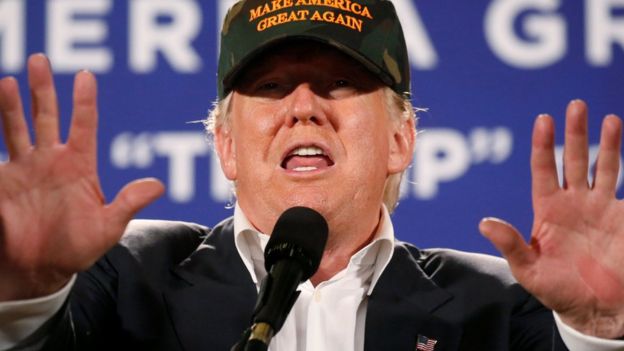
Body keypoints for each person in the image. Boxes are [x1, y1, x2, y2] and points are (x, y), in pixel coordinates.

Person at [0, 0, 623, 350]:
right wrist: (23, 299)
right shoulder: (125, 275)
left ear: (401, 139)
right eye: (270, 86)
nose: (304, 106)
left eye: (340, 83)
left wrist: (601, 333)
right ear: (226, 147)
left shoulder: (508, 306)